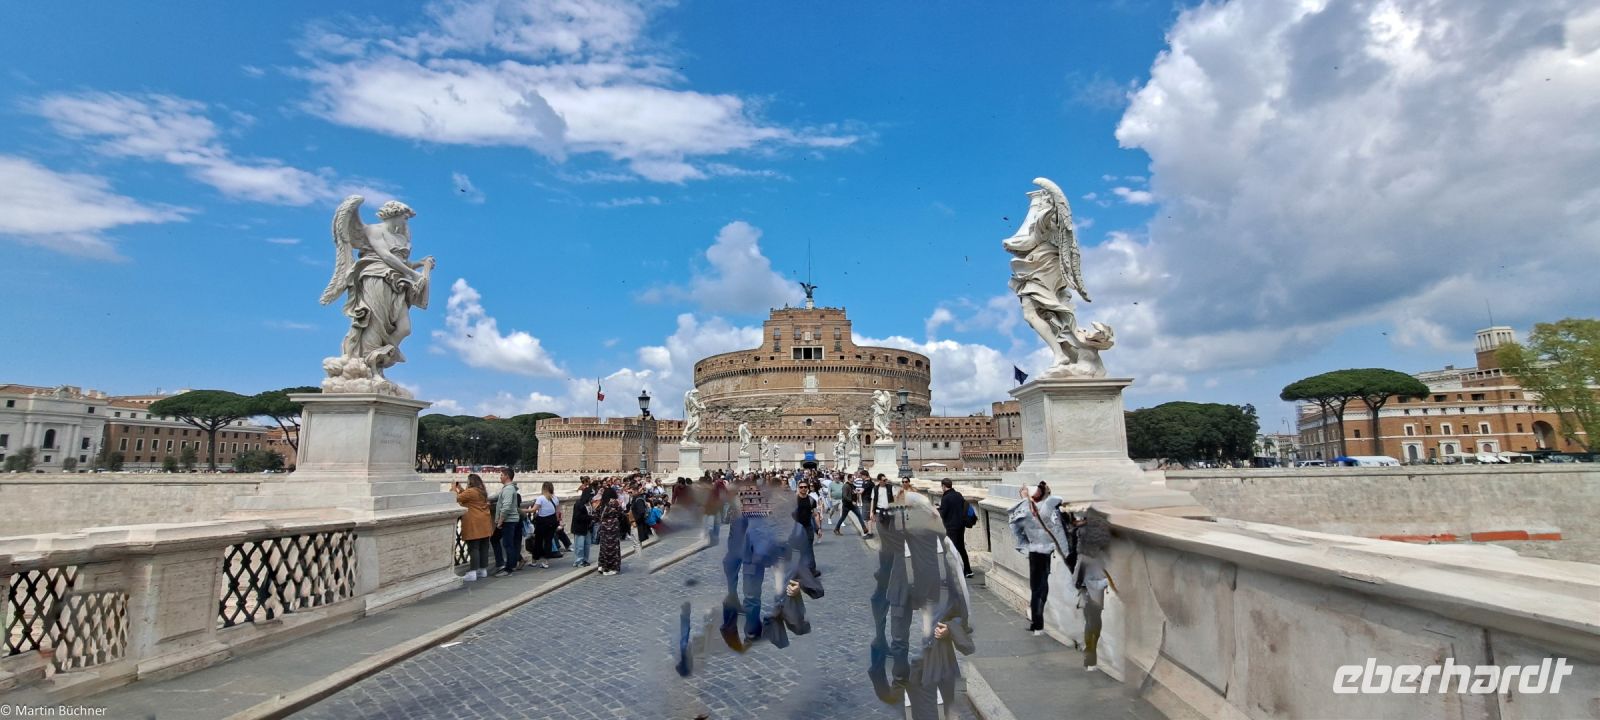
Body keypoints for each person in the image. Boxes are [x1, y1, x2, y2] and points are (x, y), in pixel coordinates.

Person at [1007, 481, 1068, 634]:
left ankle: (1037, 622)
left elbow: (1014, 528)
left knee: (1036, 587)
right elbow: (1059, 526)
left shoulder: (1023, 509)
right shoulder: (1049, 505)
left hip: (1034, 549)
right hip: (1048, 550)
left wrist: (1024, 543)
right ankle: (1039, 619)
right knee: (1043, 585)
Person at [451, 474, 493, 581]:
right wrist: (460, 489)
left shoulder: (471, 492)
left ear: (471, 482)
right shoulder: (482, 491)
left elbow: (456, 498)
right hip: (484, 522)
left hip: (474, 522)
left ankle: (473, 572)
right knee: (483, 547)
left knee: (473, 547)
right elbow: (468, 498)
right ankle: (482, 570)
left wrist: (453, 488)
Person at [937, 478, 973, 578]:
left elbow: (943, 514)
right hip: (961, 526)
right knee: (961, 548)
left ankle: (952, 573)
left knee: (949, 550)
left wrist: (938, 509)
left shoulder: (946, 498)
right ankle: (968, 570)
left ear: (944, 486)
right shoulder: (958, 495)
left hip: (951, 526)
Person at [492, 467, 523, 577]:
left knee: (508, 544)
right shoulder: (507, 488)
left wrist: (500, 521)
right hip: (507, 520)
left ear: (507, 476)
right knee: (495, 539)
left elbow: (506, 507)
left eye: (501, 475)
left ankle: (509, 568)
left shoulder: (509, 489)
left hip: (508, 520)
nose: (500, 477)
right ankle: (504, 563)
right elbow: (500, 498)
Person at [528, 481, 560, 569]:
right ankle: (546, 562)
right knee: (548, 541)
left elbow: (533, 510)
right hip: (552, 521)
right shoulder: (555, 498)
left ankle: (534, 561)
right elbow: (558, 512)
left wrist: (522, 510)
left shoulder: (541, 498)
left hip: (542, 522)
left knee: (538, 541)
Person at [596, 486, 625, 575]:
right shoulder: (614, 503)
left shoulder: (602, 503)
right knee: (613, 548)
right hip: (613, 527)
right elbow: (621, 513)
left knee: (604, 547)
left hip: (604, 527)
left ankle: (601, 565)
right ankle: (610, 568)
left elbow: (596, 514)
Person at [570, 477, 596, 567]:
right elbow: (578, 517)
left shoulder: (588, 504)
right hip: (580, 527)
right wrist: (590, 517)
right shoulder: (579, 504)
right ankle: (578, 561)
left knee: (587, 545)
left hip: (587, 527)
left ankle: (585, 559)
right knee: (580, 546)